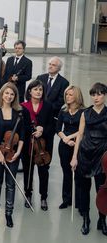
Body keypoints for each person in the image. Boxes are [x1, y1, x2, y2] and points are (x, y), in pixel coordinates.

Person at [0, 82, 24, 228]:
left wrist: (18, 152)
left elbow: (22, 135)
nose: (9, 96)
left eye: (12, 94)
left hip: (13, 154)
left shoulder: (19, 112)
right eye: (7, 93)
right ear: (2, 93)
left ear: (15, 96)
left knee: (11, 185)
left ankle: (8, 213)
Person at [71, 82, 107, 236]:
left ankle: (102, 220)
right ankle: (86, 219)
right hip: (85, 155)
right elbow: (80, 134)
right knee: (84, 190)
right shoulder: (85, 113)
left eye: (99, 94)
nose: (96, 97)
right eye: (93, 94)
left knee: (102, 190)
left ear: (105, 95)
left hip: (102, 156)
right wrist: (74, 156)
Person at [21, 80, 55, 211]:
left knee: (43, 172)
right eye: (35, 89)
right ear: (29, 91)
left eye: (40, 90)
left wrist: (43, 130)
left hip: (43, 146)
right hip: (27, 146)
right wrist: (31, 132)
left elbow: (52, 126)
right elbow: (21, 127)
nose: (38, 92)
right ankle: (28, 194)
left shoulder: (48, 106)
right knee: (27, 171)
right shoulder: (22, 106)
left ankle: (43, 197)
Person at [56, 85, 85, 209]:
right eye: (66, 94)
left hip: (79, 145)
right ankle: (66, 199)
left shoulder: (84, 112)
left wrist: (70, 137)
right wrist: (65, 139)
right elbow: (58, 129)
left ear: (77, 96)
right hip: (64, 146)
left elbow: (82, 131)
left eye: (70, 94)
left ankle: (79, 202)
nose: (67, 97)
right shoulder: (63, 110)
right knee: (66, 173)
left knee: (78, 174)